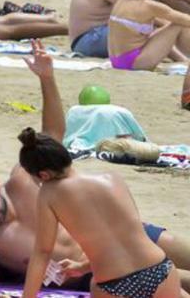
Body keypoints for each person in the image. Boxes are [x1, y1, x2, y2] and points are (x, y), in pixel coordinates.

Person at [0, 43, 190, 292]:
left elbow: (53, 133)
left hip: (127, 242)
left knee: (169, 255)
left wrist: (47, 78)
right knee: (175, 278)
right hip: (99, 269)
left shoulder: (27, 181)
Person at [17, 128, 183, 298]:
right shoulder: (112, 178)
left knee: (96, 284)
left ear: (44, 175)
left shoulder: (49, 194)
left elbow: (43, 252)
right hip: (159, 269)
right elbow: (125, 237)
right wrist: (82, 267)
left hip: (114, 284)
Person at [108, 0, 190, 88]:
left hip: (116, 60)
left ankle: (185, 58)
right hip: (133, 62)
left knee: (169, 26)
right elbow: (185, 20)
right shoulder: (150, 5)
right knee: (177, 25)